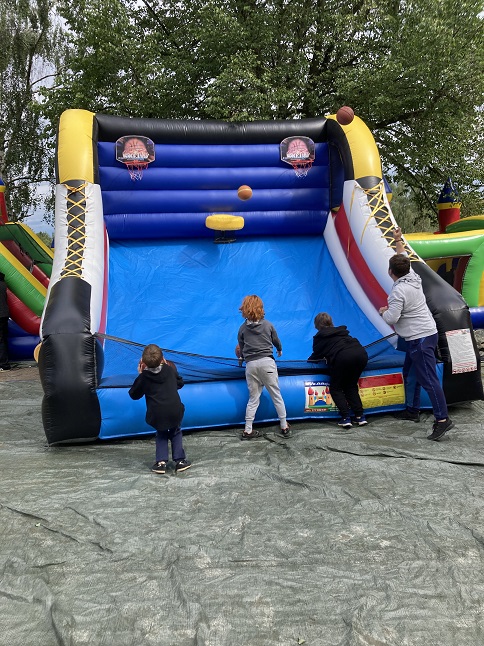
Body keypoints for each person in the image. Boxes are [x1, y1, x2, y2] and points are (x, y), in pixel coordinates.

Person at [379, 227, 454, 441]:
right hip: (423, 334)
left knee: (428, 379)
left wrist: (383, 311)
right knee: (410, 373)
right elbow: (403, 256)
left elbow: (392, 319)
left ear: (390, 272)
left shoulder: (398, 291)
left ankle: (442, 420)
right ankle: (412, 410)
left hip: (419, 338)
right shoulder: (413, 277)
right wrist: (397, 239)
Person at [129, 344, 191, 473]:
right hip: (175, 410)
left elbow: (134, 395)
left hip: (157, 414)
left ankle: (161, 462)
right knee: (175, 431)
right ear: (163, 359)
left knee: (161, 433)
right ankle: (180, 461)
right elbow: (180, 383)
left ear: (143, 362)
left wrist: (140, 375)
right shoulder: (169, 370)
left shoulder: (143, 378)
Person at [237, 295, 290, 439]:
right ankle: (284, 425)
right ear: (261, 308)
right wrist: (279, 349)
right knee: (276, 395)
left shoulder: (242, 329)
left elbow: (241, 348)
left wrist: (241, 359)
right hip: (267, 363)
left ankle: (248, 429)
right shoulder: (268, 325)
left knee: (253, 398)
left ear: (244, 309)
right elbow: (276, 341)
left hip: (251, 365)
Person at [308, 312, 368, 429]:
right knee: (350, 385)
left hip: (343, 357)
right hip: (361, 354)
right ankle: (360, 416)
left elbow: (316, 355)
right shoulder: (342, 332)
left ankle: (345, 418)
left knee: (336, 388)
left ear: (317, 325)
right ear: (331, 322)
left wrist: (308, 362)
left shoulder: (320, 338)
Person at [0, 272, 10, 371]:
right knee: (3, 339)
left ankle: (4, 364)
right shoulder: (3, 284)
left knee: (1, 340)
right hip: (4, 314)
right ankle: (4, 363)